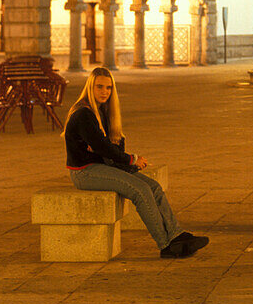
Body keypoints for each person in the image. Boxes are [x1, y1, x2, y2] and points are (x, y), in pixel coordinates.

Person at [63, 67, 208, 258]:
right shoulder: (84, 113)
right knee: (140, 190)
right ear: (90, 87)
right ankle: (165, 246)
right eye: (99, 87)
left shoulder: (103, 111)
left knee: (154, 187)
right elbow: (102, 147)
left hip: (103, 166)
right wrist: (131, 159)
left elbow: (112, 145)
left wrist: (129, 164)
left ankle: (176, 235)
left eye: (108, 88)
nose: (104, 92)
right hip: (85, 172)